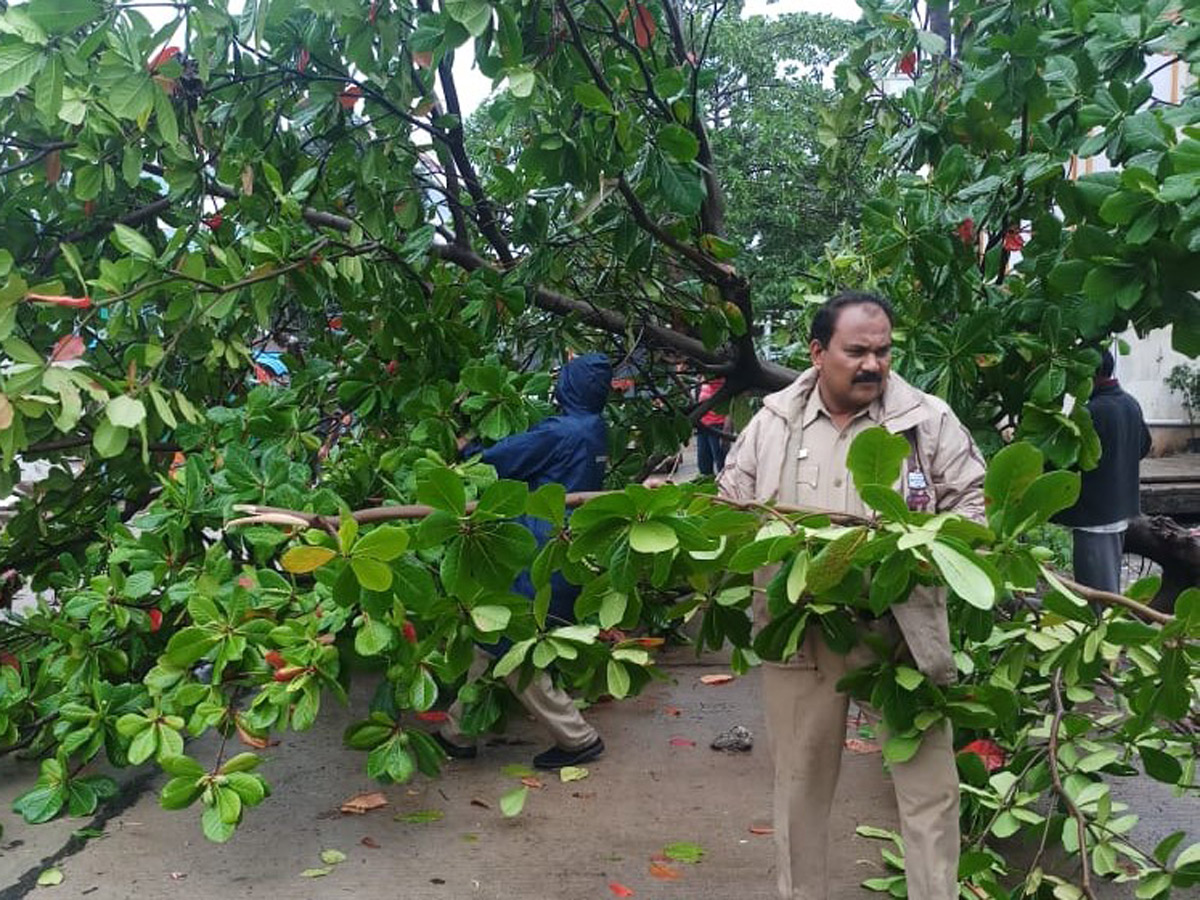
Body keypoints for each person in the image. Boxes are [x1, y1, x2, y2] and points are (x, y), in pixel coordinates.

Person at [717, 291, 986, 900]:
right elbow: (728, 510)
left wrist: (925, 546)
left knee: (931, 791)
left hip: (900, 637)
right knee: (799, 794)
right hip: (800, 635)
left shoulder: (927, 420)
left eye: (883, 351)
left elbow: (974, 506)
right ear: (817, 353)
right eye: (857, 351)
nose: (874, 364)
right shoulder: (772, 422)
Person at [436, 352, 612, 770]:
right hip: (566, 550)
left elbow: (500, 462)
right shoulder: (597, 429)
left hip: (537, 550)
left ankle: (578, 738)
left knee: (514, 644)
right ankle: (455, 732)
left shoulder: (562, 430)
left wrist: (468, 448)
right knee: (491, 641)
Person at [1057, 348, 1151, 594]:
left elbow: (1068, 460)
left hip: (1095, 517)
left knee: (1097, 595)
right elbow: (1144, 446)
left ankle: (1104, 632)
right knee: (1108, 586)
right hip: (1120, 510)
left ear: (1092, 372)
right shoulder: (1130, 403)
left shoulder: (1091, 412)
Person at [696, 376, 729, 476]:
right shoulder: (703, 379)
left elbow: (730, 404)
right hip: (703, 425)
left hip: (717, 425)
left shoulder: (723, 379)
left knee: (720, 462)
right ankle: (706, 487)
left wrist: (727, 429)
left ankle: (724, 487)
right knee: (703, 462)